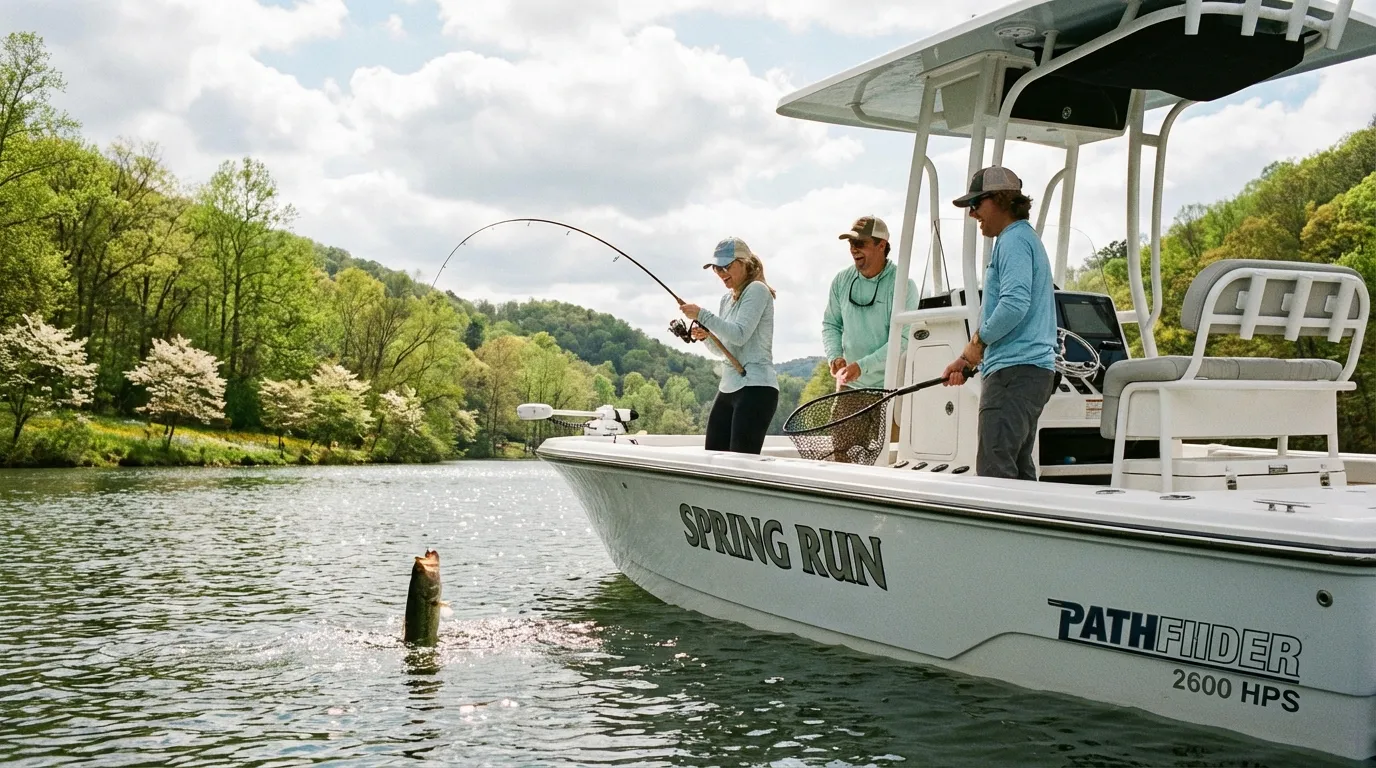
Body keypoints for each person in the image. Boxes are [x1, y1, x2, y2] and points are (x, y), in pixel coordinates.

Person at [941, 166, 1058, 480]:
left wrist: (975, 345)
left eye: (976, 203)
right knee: (1018, 470)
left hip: (1013, 375)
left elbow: (1013, 305)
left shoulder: (1013, 241)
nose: (972, 213)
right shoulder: (1024, 239)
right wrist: (967, 360)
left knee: (995, 472)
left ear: (1001, 200)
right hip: (1027, 373)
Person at [821, 215, 918, 462]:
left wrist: (862, 366)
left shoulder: (903, 285)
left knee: (890, 464)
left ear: (881, 245)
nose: (854, 249)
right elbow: (831, 324)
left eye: (860, 243)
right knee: (842, 461)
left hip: (891, 391)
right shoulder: (841, 281)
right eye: (851, 244)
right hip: (850, 390)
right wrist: (835, 356)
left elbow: (904, 340)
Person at [678, 237, 779, 455]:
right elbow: (722, 350)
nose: (721, 273)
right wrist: (706, 337)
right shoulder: (726, 300)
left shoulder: (758, 290)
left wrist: (701, 315)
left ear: (744, 263)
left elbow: (739, 335)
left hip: (756, 388)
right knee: (713, 459)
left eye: (726, 266)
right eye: (717, 268)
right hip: (728, 387)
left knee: (740, 465)